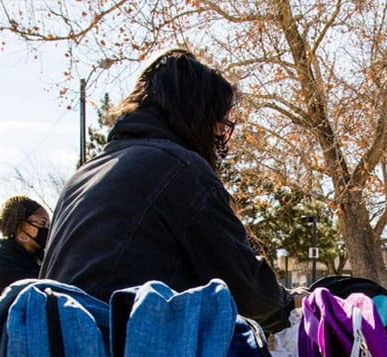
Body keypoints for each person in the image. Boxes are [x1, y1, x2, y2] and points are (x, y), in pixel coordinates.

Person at [40, 48, 294, 332]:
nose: (220, 138)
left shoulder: (87, 172)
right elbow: (252, 297)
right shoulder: (181, 170)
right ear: (199, 116)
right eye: (220, 125)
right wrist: (292, 307)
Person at [0, 195, 49, 295]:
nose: (47, 230)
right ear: (23, 226)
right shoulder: (0, 261)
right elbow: (31, 295)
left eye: (49, 225)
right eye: (42, 223)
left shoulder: (44, 258)